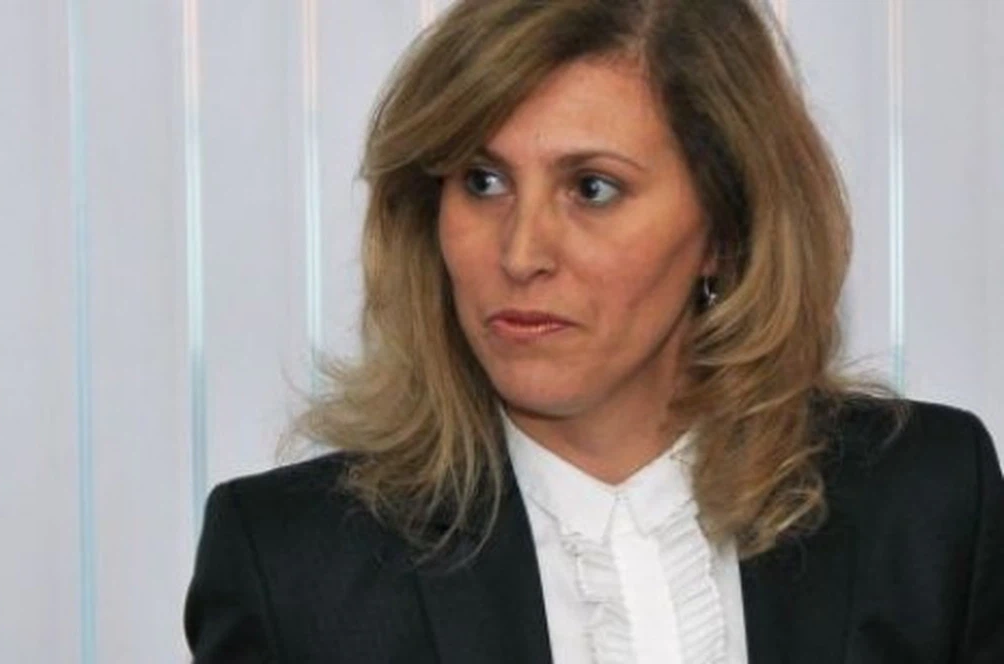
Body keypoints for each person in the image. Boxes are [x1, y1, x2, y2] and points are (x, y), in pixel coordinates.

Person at [184, 0, 1004, 661]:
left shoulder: (926, 505)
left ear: (725, 228)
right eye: (483, 181)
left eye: (593, 189)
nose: (521, 253)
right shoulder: (293, 569)